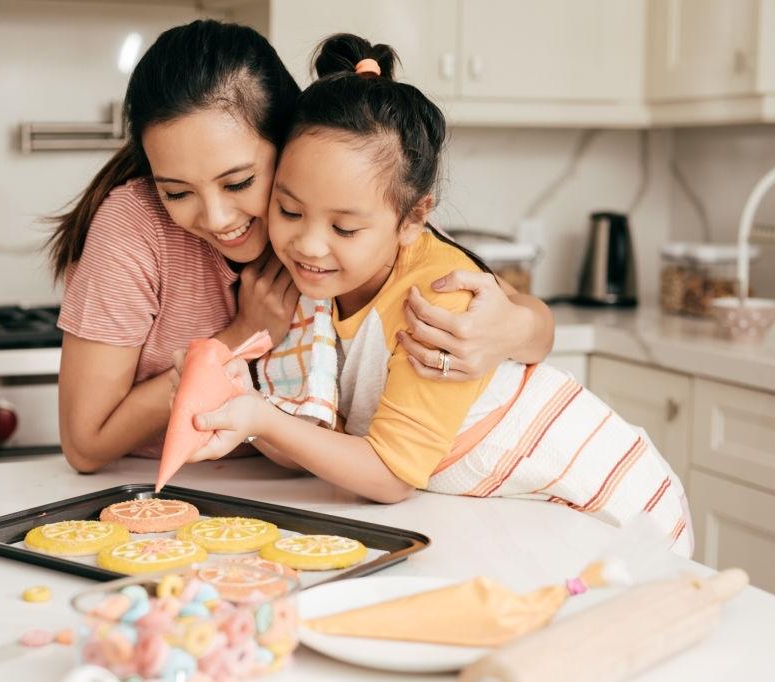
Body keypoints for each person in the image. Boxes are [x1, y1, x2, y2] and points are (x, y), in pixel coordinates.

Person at [188, 34, 692, 556]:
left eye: (345, 227)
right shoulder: (323, 287)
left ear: (413, 219)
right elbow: (327, 435)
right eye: (290, 211)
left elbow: (388, 476)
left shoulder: (435, 300)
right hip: (516, 506)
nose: (309, 244)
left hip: (611, 507)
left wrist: (261, 417)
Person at [48, 20, 556, 475]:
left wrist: (514, 328)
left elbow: (509, 313)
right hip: (174, 485)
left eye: (240, 182)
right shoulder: (133, 227)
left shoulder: (332, 202)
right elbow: (85, 446)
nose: (218, 218)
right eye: (176, 192)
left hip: (306, 486)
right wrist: (241, 335)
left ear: (290, 143)